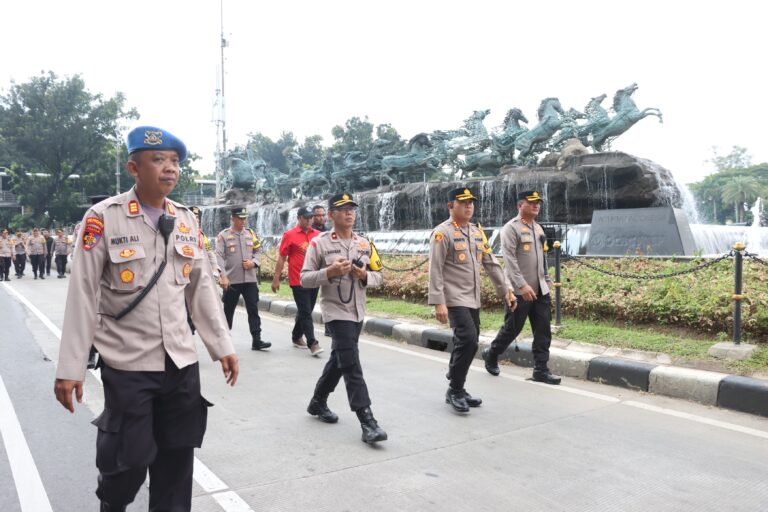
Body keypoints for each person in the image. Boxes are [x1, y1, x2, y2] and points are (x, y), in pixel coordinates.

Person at [53, 125, 238, 511]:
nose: (170, 169)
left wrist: (222, 346)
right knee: (128, 463)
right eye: (159, 160)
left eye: (174, 161)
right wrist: (71, 366)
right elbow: (83, 294)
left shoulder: (186, 219)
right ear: (134, 168)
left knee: (175, 468)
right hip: (128, 363)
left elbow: (201, 288)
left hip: (181, 364)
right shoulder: (103, 218)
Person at [301, 192, 388, 444]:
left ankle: (318, 401)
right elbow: (304, 278)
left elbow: (380, 276)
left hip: (358, 310)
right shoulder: (320, 244)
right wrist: (329, 271)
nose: (349, 212)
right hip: (335, 311)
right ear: (331, 215)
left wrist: (364, 276)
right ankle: (367, 420)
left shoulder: (364, 243)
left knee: (340, 359)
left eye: (352, 208)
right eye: (342, 209)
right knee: (351, 363)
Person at [428, 187, 515, 413]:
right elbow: (435, 269)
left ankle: (458, 384)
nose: (469, 206)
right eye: (463, 202)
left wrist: (506, 290)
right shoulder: (442, 233)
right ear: (451, 206)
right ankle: (455, 390)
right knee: (468, 340)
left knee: (467, 341)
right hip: (454, 297)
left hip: (473, 298)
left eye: (471, 203)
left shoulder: (477, 232)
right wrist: (439, 302)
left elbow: (491, 262)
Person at [482, 190, 562, 385]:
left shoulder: (539, 228)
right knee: (512, 329)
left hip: (540, 289)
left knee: (543, 330)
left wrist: (546, 280)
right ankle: (492, 353)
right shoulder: (511, 228)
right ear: (520, 205)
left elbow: (542, 258)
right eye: (531, 202)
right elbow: (509, 260)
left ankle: (541, 369)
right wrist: (522, 285)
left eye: (538, 203)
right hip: (519, 290)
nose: (536, 205)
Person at [215, 207, 271, 350]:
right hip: (232, 280)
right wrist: (223, 276)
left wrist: (254, 263)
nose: (243, 221)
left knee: (253, 309)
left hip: (250, 280)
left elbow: (258, 251)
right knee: (228, 311)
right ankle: (224, 342)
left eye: (245, 218)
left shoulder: (250, 234)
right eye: (240, 218)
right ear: (232, 218)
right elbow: (219, 257)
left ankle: (257, 340)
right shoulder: (223, 236)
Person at [272, 207, 323, 354]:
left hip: (314, 278)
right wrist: (276, 278)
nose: (309, 220)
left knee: (306, 309)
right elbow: (282, 257)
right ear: (299, 218)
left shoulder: (318, 235)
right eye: (306, 218)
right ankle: (312, 343)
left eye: (311, 217)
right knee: (306, 312)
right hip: (298, 280)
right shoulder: (289, 235)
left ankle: (296, 335)